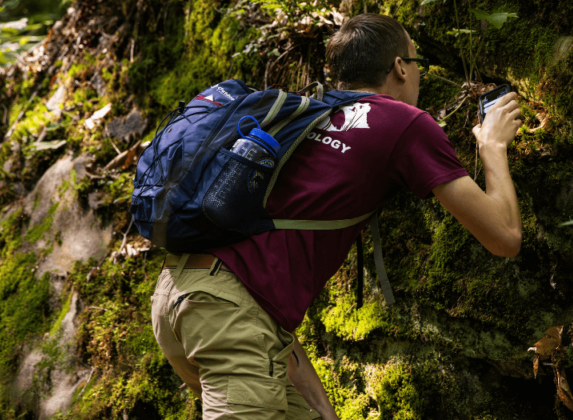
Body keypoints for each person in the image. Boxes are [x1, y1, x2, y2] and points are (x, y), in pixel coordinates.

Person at [150, 13, 523, 420]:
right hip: (228, 317)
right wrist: (492, 146)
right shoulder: (403, 123)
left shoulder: (304, 116)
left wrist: (324, 410)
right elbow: (503, 236)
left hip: (180, 297)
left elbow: (256, 275)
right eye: (418, 65)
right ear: (400, 66)